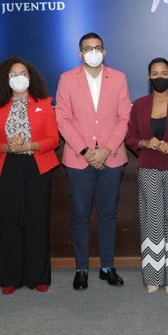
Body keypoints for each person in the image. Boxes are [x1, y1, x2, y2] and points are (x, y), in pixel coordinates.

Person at [56, 32, 131, 291]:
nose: (93, 52)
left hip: (112, 158)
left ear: (104, 52)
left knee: (108, 215)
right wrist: (86, 150)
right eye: (88, 48)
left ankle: (107, 267)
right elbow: (62, 119)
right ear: (80, 54)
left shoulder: (118, 78)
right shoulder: (67, 79)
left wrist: (106, 150)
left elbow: (124, 117)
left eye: (98, 48)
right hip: (79, 159)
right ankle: (82, 269)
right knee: (80, 215)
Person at [0, 56, 59, 294]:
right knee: (9, 222)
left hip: (36, 166)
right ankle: (10, 277)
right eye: (14, 75)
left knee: (37, 221)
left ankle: (39, 276)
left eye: (23, 74)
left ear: (31, 77)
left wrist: (29, 145)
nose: (19, 78)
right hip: (7, 167)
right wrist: (6, 146)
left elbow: (53, 140)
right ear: (6, 79)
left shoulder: (44, 104)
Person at [125, 58, 168, 295]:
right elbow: (130, 137)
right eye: (155, 74)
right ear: (148, 77)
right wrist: (145, 143)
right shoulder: (139, 105)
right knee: (152, 222)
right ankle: (153, 275)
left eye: (164, 73)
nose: (159, 77)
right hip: (149, 169)